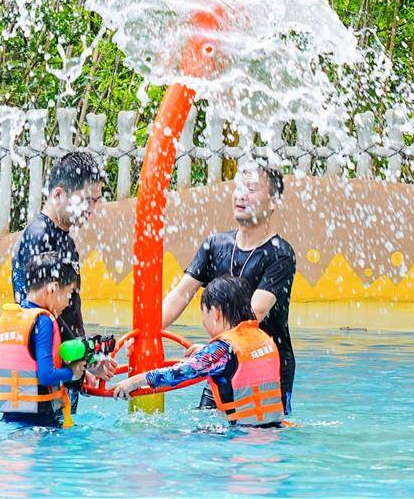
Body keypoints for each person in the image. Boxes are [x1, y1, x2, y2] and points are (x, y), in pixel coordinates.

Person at [160, 164, 296, 414]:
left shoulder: (280, 255)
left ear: (274, 201)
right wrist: (148, 331)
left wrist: (218, 348)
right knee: (208, 434)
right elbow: (181, 294)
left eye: (252, 189)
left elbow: (254, 313)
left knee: (258, 441)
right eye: (239, 188)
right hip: (223, 360)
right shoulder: (216, 244)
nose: (241, 195)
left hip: (264, 367)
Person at [113, 275, 285, 428]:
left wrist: (134, 382)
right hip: (275, 428)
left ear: (216, 313)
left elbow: (178, 373)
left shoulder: (221, 350)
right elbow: (238, 359)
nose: (204, 323)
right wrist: (207, 350)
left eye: (204, 315)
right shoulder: (262, 338)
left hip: (243, 435)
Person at [11, 151, 117, 396]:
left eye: (96, 201)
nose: (92, 209)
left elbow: (67, 311)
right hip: (43, 380)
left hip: (63, 365)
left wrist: (86, 360)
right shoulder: (39, 239)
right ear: (58, 194)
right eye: (87, 200)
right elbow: (43, 313)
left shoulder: (63, 239)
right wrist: (83, 362)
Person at [0, 251, 86, 428]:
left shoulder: (14, 317)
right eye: (68, 294)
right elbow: (46, 376)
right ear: (52, 289)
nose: (69, 303)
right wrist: (73, 372)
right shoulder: (43, 321)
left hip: (10, 417)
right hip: (40, 422)